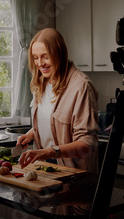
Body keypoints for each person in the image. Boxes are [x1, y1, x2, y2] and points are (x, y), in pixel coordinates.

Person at [17, 28, 99, 173]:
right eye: (35, 57)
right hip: (44, 164)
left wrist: (48, 152)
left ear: (59, 54)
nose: (40, 63)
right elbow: (51, 122)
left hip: (72, 171)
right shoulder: (41, 82)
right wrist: (32, 134)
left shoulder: (81, 86)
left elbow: (87, 144)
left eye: (45, 57)